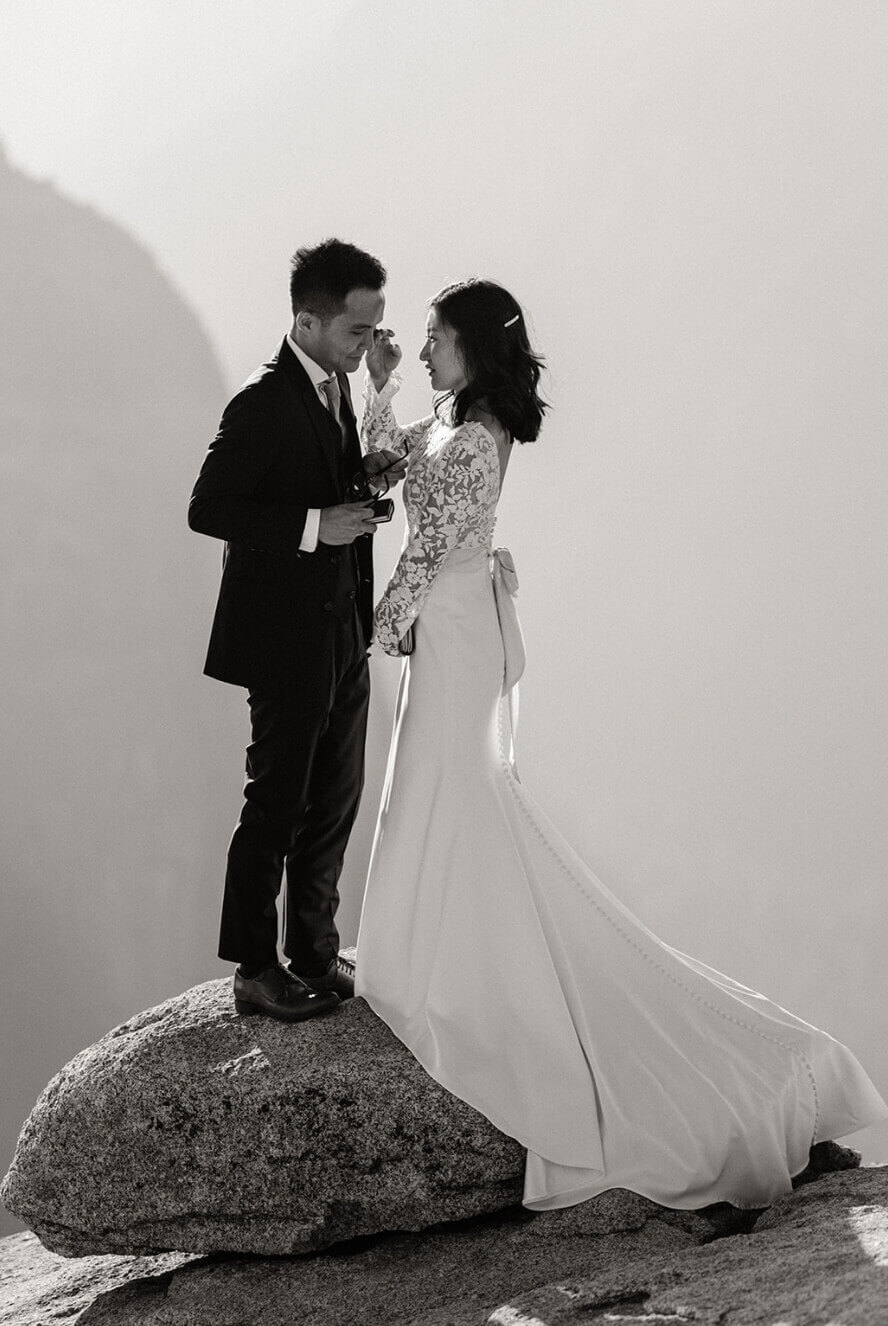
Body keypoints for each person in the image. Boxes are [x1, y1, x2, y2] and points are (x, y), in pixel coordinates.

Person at [354, 277, 888, 1211]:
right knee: (436, 791)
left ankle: (445, 964)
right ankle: (419, 945)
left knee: (454, 792)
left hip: (451, 630)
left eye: (436, 338)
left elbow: (428, 545)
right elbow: (377, 473)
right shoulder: (449, 418)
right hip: (448, 628)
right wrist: (383, 383)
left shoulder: (480, 437)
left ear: (474, 345)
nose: (428, 348)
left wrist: (379, 628)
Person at [188, 238, 406, 1023]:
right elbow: (208, 508)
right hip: (284, 638)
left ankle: (314, 950)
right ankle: (254, 968)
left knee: (335, 801)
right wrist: (319, 524)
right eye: (358, 331)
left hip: (343, 630)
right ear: (307, 321)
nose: (369, 343)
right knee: (275, 806)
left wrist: (363, 479)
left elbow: (322, 473)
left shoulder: (337, 385)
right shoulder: (261, 399)